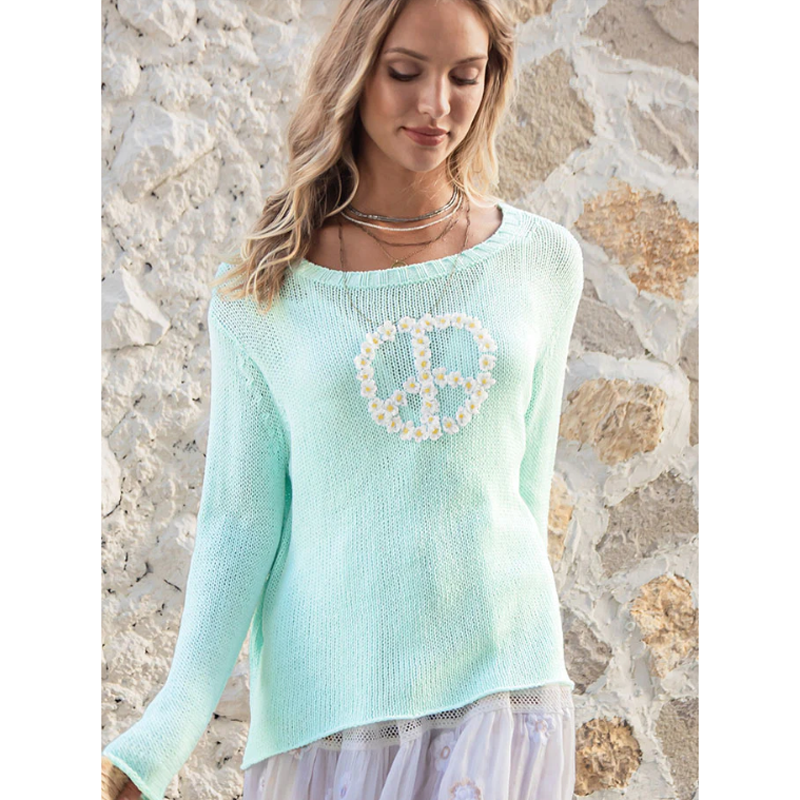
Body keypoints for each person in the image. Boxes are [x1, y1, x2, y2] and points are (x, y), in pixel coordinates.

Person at [100, 1, 584, 798]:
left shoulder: (542, 261)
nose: (437, 105)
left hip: (502, 692)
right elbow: (240, 522)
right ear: (355, 73)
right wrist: (162, 737)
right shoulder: (265, 290)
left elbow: (526, 491)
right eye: (405, 72)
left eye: (465, 77)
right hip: (331, 715)